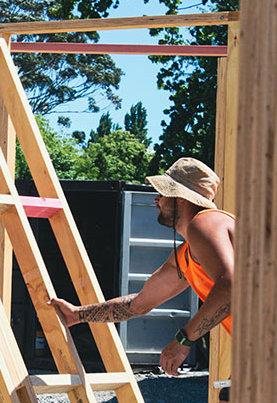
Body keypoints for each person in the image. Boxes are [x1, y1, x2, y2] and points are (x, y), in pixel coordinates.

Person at [48, 157, 233, 402]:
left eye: (162, 193)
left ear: (181, 198)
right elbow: (139, 304)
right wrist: (78, 314)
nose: (156, 199)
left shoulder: (205, 223)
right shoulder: (186, 255)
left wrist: (184, 340)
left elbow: (231, 285)